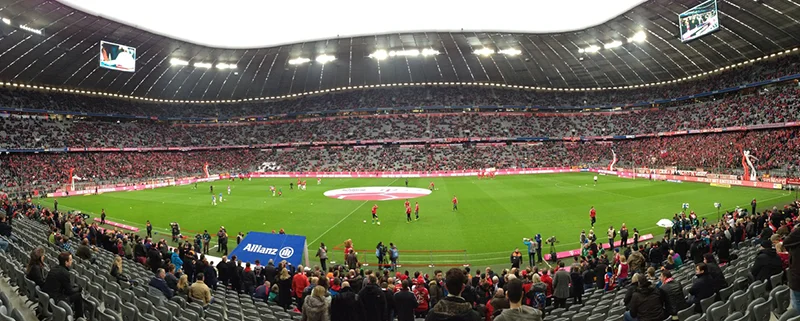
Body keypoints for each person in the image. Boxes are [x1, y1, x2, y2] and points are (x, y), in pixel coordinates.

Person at [43, 252, 84, 318]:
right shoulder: (65, 273)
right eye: (70, 260)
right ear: (66, 262)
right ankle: (79, 317)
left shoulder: (54, 268)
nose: (72, 261)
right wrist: (79, 288)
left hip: (49, 296)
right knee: (78, 295)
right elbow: (69, 291)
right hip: (56, 299)